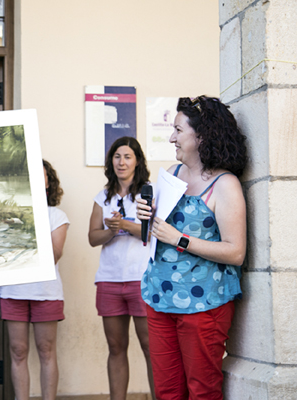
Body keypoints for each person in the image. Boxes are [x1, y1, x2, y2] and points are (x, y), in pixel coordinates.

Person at [137, 96, 247, 400]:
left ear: (201, 136)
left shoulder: (225, 184)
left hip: (204, 305)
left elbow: (235, 251)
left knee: (202, 391)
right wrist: (146, 214)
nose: (172, 137)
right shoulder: (171, 175)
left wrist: (179, 239)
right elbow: (157, 231)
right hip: (159, 297)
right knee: (168, 392)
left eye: (178, 130)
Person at [88, 136, 155, 400]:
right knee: (116, 347)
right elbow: (93, 238)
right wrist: (110, 231)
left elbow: (152, 233)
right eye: (117, 156)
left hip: (142, 279)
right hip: (109, 279)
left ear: (137, 160)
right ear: (110, 161)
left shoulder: (149, 191)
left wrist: (124, 225)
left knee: (150, 347)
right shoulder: (101, 197)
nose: (121, 162)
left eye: (127, 156)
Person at [0, 160, 69, 400]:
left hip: (46, 292)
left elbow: (54, 255)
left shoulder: (56, 216)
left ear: (49, 184)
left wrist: (31, 217)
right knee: (17, 351)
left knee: (46, 351)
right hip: (13, 291)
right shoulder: (6, 214)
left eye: (42, 177)